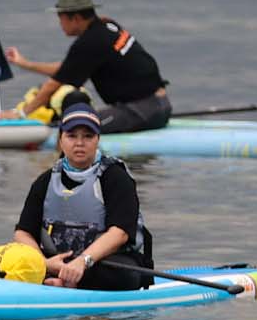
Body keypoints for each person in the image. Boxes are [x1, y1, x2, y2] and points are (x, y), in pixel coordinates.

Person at [9, 105, 154, 289]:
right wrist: (43, 263)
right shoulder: (44, 181)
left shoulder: (116, 178)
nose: (79, 143)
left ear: (97, 140)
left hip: (101, 263)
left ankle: (62, 283)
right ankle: (56, 279)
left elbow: (120, 233)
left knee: (125, 275)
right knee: (11, 259)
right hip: (55, 263)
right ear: (60, 140)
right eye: (72, 136)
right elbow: (23, 232)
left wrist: (83, 262)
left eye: (88, 136)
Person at [3, 0, 171, 132]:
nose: (60, 24)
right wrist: (24, 64)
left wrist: (21, 115)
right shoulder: (108, 26)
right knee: (79, 118)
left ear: (75, 18)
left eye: (60, 18)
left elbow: (51, 86)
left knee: (74, 130)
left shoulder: (89, 42)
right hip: (161, 106)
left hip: (141, 111)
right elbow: (68, 69)